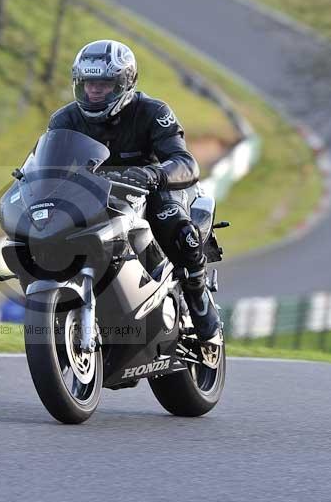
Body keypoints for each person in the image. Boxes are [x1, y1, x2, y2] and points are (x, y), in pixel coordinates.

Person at [46, 39, 220, 341]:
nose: (94, 90)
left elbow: (185, 162)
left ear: (125, 82)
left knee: (175, 226)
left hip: (153, 190)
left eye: (104, 84)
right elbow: (47, 169)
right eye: (87, 83)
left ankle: (197, 295)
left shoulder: (153, 111)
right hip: (96, 196)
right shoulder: (64, 120)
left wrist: (155, 173)